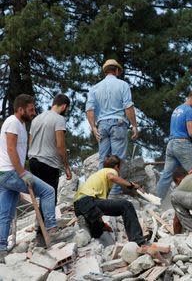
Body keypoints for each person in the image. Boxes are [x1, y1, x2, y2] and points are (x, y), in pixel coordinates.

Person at [0, 95, 60, 262]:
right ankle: (51, 228)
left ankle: (1, 249)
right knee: (48, 191)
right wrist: (22, 173)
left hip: (4, 173)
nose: (34, 112)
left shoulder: (21, 124)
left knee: (5, 214)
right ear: (20, 109)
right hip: (11, 172)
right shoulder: (13, 122)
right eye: (31, 109)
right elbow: (11, 150)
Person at [86, 59, 138, 195]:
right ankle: (114, 194)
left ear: (105, 71)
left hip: (102, 125)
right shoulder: (123, 85)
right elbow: (128, 107)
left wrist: (93, 128)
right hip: (118, 124)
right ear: (116, 70)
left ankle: (100, 192)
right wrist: (134, 126)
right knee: (117, 160)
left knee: (103, 160)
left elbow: (89, 109)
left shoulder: (95, 88)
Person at [73, 155, 145, 245]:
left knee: (97, 232)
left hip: (79, 206)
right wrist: (131, 185)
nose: (119, 171)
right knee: (126, 205)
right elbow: (112, 177)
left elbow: (96, 207)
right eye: (119, 168)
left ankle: (91, 231)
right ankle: (138, 242)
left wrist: (102, 224)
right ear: (116, 166)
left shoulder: (98, 174)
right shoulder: (111, 170)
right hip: (88, 200)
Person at [156, 89, 192, 199]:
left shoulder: (177, 109)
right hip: (182, 144)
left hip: (171, 144)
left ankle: (156, 201)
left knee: (166, 176)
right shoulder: (190, 111)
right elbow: (191, 132)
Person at [29, 94, 72, 201]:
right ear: (63, 106)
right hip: (48, 163)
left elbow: (31, 142)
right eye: (66, 109)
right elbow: (60, 145)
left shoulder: (36, 119)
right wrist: (66, 167)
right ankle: (48, 218)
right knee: (50, 197)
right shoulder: (59, 119)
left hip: (33, 162)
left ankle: (41, 218)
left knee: (42, 195)